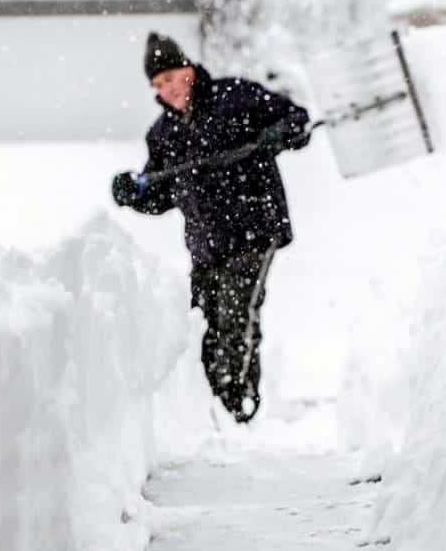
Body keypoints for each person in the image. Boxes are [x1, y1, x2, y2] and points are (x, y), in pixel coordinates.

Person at [111, 32, 311, 424]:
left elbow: (297, 119)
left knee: (235, 315)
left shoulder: (235, 96)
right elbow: (160, 193)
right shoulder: (163, 134)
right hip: (206, 244)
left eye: (170, 78)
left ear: (188, 69)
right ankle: (214, 408)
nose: (166, 90)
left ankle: (238, 402)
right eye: (157, 85)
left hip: (254, 227)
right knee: (204, 320)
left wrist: (279, 134)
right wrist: (132, 192)